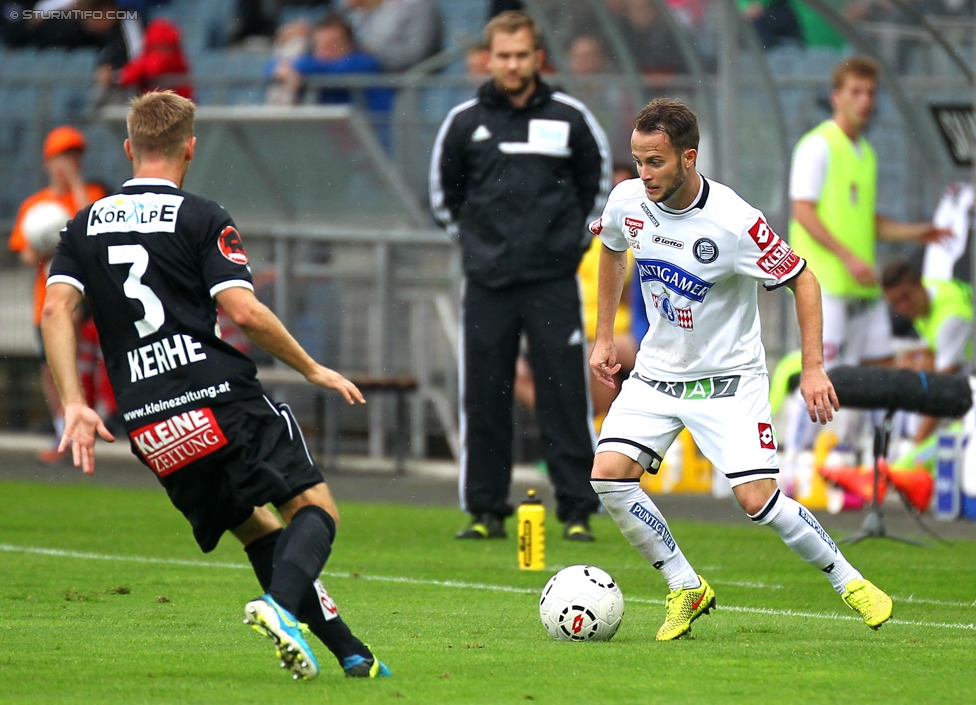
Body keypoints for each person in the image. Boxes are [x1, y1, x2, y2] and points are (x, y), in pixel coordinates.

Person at [40, 91, 390, 681]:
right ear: (190, 149)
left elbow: (55, 312)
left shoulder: (83, 225)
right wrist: (311, 368)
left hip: (150, 420)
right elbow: (244, 312)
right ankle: (279, 609)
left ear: (129, 149)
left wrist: (74, 403)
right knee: (315, 507)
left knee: (257, 528)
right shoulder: (202, 216)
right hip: (214, 396)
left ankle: (352, 653)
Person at [588, 97, 893, 641]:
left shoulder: (733, 221)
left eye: (655, 161)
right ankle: (685, 585)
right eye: (638, 160)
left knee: (757, 500)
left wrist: (815, 368)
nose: (644, 174)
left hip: (728, 384)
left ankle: (850, 581)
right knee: (608, 476)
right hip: (658, 373)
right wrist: (604, 336)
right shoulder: (627, 201)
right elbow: (612, 250)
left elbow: (803, 278)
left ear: (688, 156)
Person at [430, 10, 612, 541]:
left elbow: (595, 186)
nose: (512, 65)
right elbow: (444, 197)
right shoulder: (464, 122)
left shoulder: (571, 117)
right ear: (490, 59)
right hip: (486, 282)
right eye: (502, 55)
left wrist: (569, 245)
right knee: (484, 396)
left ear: (538, 57)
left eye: (521, 55)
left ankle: (577, 510)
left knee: (564, 394)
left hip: (553, 281)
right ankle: (485, 511)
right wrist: (477, 245)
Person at [785, 55, 948, 451]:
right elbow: (801, 209)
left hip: (862, 289)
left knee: (880, 371)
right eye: (856, 92)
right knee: (823, 373)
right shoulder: (817, 146)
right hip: (824, 286)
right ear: (836, 97)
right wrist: (847, 256)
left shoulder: (867, 154)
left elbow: (867, 221)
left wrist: (917, 232)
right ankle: (790, 464)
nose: (865, 100)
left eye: (871, 93)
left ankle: (867, 461)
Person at [8, 125, 107, 463]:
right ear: (49, 160)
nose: (71, 161)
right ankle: (63, 430)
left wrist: (77, 186)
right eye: (65, 154)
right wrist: (46, 245)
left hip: (89, 300)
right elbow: (23, 254)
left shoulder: (91, 192)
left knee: (83, 363)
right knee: (51, 369)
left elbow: (95, 229)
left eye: (76, 154)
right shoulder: (35, 206)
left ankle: (94, 423)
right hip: (48, 302)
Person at [881, 260, 973, 443]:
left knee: (918, 376)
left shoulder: (952, 317)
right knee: (911, 366)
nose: (903, 307)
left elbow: (943, 387)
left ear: (920, 285)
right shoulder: (930, 292)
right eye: (895, 303)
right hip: (965, 362)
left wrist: (918, 443)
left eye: (906, 297)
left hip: (971, 377)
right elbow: (939, 345)